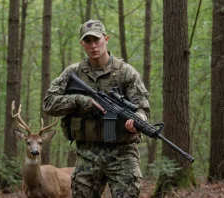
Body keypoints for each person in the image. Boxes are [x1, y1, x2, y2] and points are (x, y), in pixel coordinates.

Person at [43, 19, 150, 198]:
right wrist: (78, 100)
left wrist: (139, 121)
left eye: (97, 40)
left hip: (123, 153)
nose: (93, 45)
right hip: (87, 153)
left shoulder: (126, 72)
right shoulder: (73, 73)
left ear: (106, 39)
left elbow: (142, 109)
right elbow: (48, 104)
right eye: (88, 41)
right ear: (82, 44)